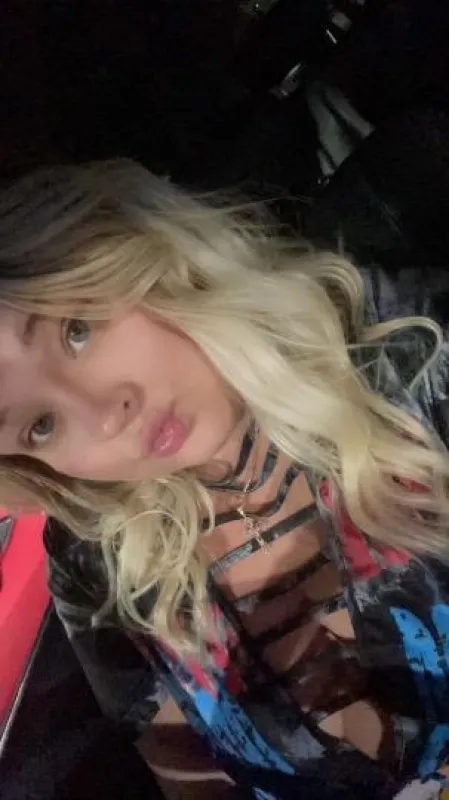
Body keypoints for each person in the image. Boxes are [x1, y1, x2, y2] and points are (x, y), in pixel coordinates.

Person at [0, 159, 449, 800]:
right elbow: (194, 782)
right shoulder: (99, 569)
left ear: (143, 251)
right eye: (41, 425)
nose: (104, 416)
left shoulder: (409, 358)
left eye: (78, 330)